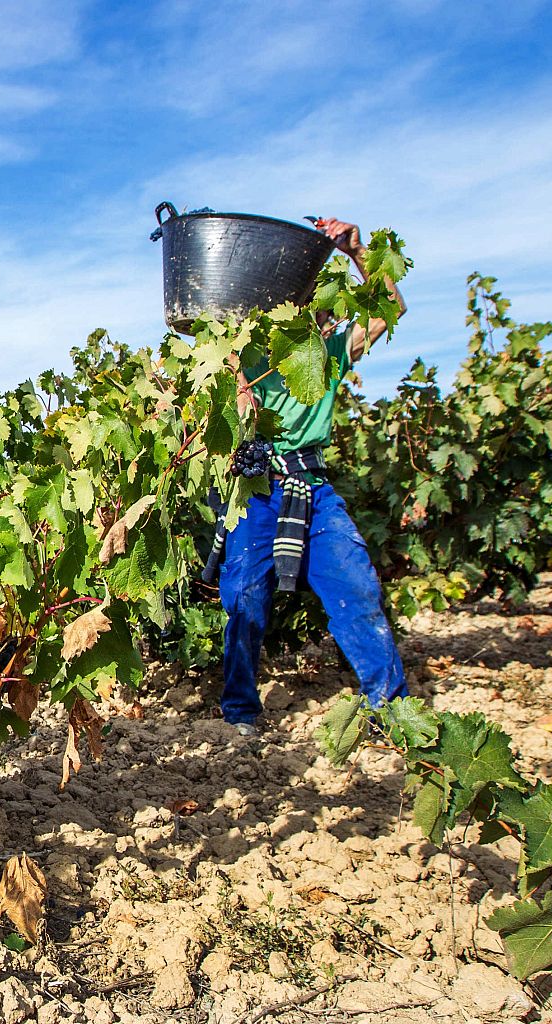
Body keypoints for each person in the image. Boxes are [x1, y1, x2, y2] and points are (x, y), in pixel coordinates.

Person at [209, 216, 408, 735]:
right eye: (311, 306)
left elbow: (392, 308)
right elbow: (204, 334)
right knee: (244, 596)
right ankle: (240, 713)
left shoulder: (333, 353)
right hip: (255, 490)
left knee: (356, 588)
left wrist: (356, 251)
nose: (322, 317)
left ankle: (391, 709)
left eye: (327, 310)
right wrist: (235, 388)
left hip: (311, 490)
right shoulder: (248, 354)